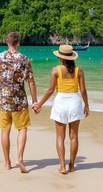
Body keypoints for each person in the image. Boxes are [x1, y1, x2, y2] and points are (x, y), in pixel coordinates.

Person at [0, 30, 38, 173]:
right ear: (19, 42)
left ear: (7, 42)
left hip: (3, 101)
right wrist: (35, 101)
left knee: (5, 131)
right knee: (22, 129)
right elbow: (31, 82)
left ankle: (7, 163)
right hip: (19, 101)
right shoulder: (25, 59)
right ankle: (19, 158)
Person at [33, 44, 90, 174]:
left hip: (61, 102)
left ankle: (62, 166)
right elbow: (83, 90)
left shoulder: (55, 70)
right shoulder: (79, 70)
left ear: (61, 58)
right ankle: (71, 165)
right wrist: (86, 105)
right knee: (74, 136)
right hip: (75, 102)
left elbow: (50, 90)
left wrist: (39, 104)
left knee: (60, 137)